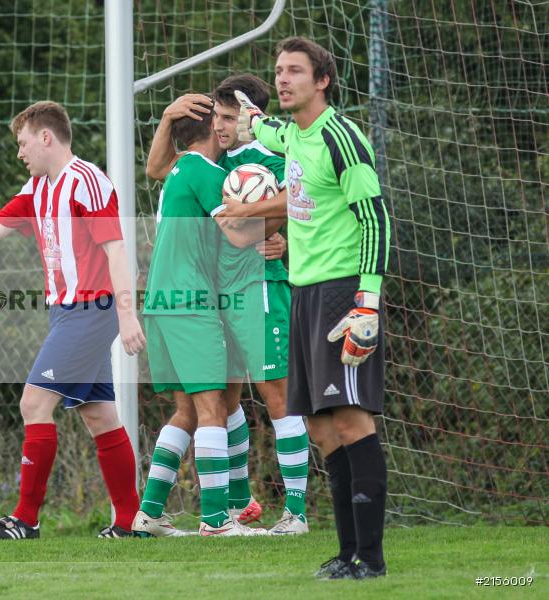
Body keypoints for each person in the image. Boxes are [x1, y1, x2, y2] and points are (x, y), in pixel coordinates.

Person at [0, 101, 146, 540]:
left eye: (23, 143)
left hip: (91, 310)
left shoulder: (88, 182)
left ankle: (25, 519)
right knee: (99, 415)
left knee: (33, 402)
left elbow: (116, 250)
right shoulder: (38, 187)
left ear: (46, 137)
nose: (20, 152)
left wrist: (126, 314)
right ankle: (130, 521)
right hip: (65, 312)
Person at [227, 36, 391, 578]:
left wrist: (367, 303)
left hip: (344, 291)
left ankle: (370, 557)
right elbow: (264, 130)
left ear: (322, 80)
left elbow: (375, 219)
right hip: (303, 292)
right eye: (278, 71)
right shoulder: (289, 135)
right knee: (320, 427)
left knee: (349, 419)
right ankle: (346, 554)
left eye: (295, 70)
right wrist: (244, 116)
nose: (283, 79)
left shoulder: (341, 136)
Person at [134, 75, 310, 537]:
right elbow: (159, 170)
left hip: (251, 289)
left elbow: (311, 203)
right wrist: (268, 225)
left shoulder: (273, 157)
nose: (222, 124)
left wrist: (285, 241)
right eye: (218, 116)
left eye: (230, 117)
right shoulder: (210, 164)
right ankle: (223, 513)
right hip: (202, 299)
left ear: (254, 118)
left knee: (254, 398)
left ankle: (287, 511)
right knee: (216, 404)